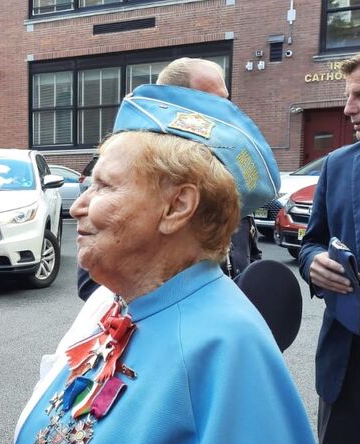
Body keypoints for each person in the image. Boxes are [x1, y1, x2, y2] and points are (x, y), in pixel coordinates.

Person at [0, 84, 348, 444]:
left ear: (177, 206)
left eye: (105, 187)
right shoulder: (120, 307)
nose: (76, 207)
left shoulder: (227, 348)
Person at [76, 58, 259, 300]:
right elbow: (93, 282)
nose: (224, 111)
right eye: (210, 101)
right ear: (171, 103)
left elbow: (247, 255)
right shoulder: (127, 167)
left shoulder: (230, 176)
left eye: (225, 100)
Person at [299, 52, 360, 444]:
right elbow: (311, 241)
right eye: (347, 97)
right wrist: (313, 262)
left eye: (359, 96)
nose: (348, 110)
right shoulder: (339, 166)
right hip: (347, 366)